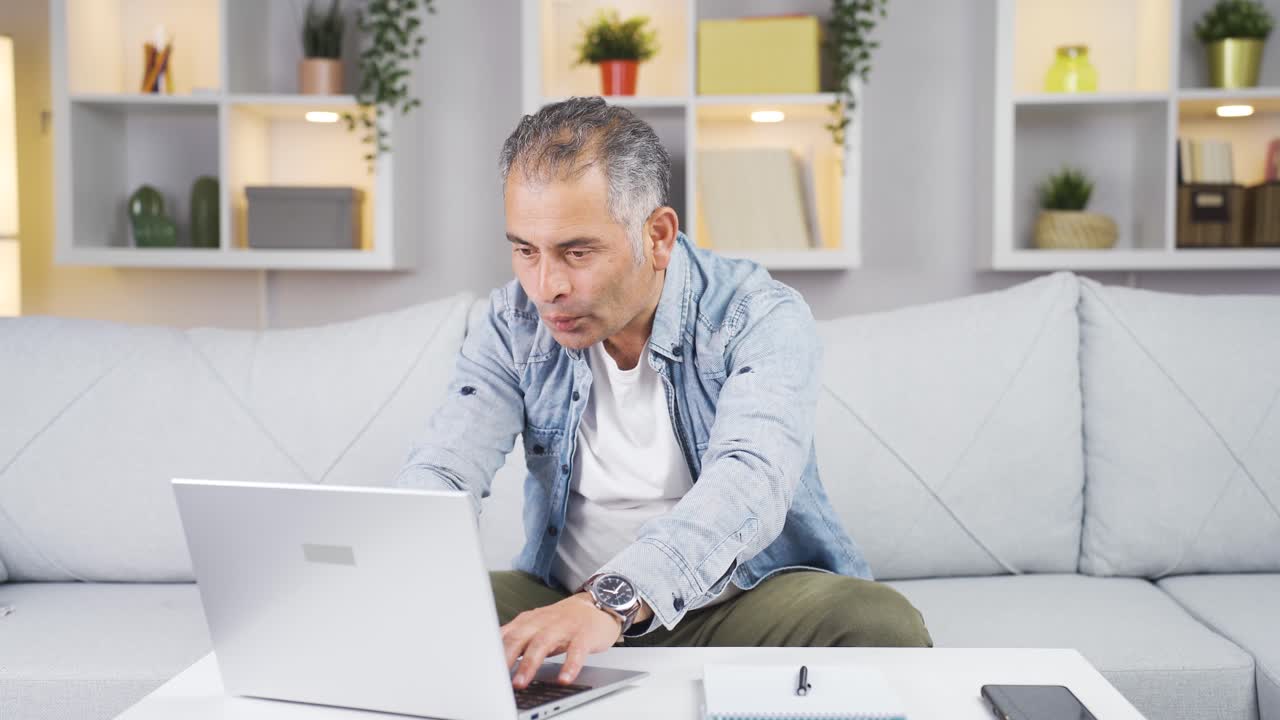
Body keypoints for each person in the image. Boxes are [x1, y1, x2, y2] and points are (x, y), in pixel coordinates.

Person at [396, 96, 931, 691]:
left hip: (733, 603)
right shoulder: (512, 324)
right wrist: (394, 566)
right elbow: (446, 467)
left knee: (883, 624)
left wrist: (611, 601)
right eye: (525, 250)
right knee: (395, 617)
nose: (546, 287)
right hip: (563, 596)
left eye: (576, 253)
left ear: (657, 235)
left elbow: (749, 481)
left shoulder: (758, 316)